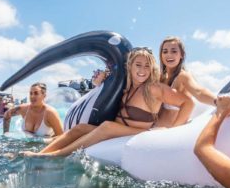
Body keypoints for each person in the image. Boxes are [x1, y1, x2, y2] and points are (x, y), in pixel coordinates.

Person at [24, 47, 193, 158]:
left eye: (147, 66)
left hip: (137, 132)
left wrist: (174, 132)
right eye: (138, 65)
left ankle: (55, 156)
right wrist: (101, 82)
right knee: (80, 128)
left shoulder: (154, 88)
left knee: (107, 126)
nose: (142, 71)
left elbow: (188, 103)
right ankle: (40, 152)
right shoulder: (126, 87)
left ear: (152, 69)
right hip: (119, 130)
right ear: (130, 66)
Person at [157, 36, 216, 127]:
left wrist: (218, 102)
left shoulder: (183, 76)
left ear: (182, 55)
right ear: (161, 55)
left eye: (174, 51)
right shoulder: (160, 77)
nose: (169, 55)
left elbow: (199, 92)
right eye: (165, 51)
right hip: (154, 129)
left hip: (170, 133)